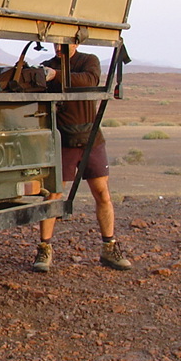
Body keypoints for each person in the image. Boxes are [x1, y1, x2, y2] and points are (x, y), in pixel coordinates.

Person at [31, 43, 132, 273]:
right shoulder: (47, 65)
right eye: (55, 43)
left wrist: (55, 76)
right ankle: (44, 248)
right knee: (54, 195)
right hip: (63, 141)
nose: (58, 47)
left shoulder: (89, 61)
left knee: (102, 193)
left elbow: (88, 80)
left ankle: (109, 246)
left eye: (63, 43)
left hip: (90, 139)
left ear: (76, 42)